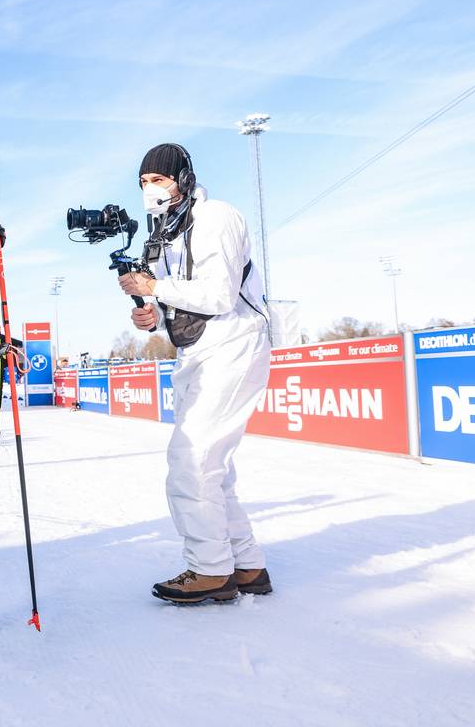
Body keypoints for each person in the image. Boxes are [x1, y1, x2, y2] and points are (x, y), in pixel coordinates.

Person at [119, 143, 272, 604]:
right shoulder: (164, 230)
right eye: (144, 182)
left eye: (159, 179)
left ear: (183, 178)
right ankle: (246, 565)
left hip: (234, 341)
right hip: (196, 350)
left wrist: (155, 286)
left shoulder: (215, 217)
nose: (151, 189)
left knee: (191, 461)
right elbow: (177, 304)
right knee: (212, 470)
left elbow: (220, 294)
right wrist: (151, 314)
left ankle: (210, 570)